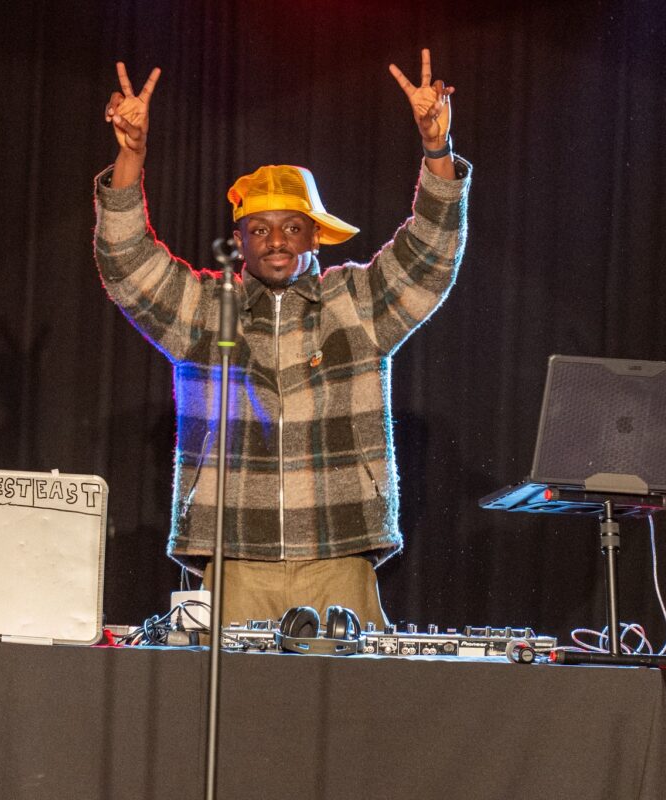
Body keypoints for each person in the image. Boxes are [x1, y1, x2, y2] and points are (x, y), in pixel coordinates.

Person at [93, 50, 470, 629]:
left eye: (293, 227)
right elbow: (126, 262)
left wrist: (436, 149)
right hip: (236, 555)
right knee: (233, 688)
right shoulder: (206, 309)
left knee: (352, 689)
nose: (276, 241)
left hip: (339, 548)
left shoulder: (354, 301)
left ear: (315, 238)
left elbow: (431, 256)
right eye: (260, 229)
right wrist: (132, 155)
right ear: (239, 240)